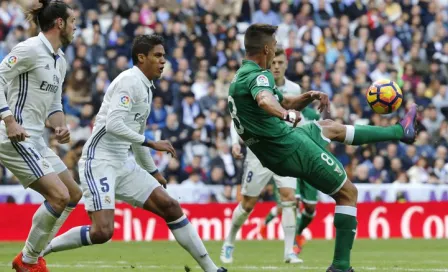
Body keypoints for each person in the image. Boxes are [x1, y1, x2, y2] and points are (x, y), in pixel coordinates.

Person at [227, 23, 417, 272]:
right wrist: (285, 115)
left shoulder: (241, 76)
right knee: (348, 193)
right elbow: (267, 101)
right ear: (266, 48)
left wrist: (310, 95)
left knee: (328, 126)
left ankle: (399, 131)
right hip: (288, 146)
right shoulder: (259, 77)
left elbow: (283, 99)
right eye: (273, 46)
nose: (275, 52)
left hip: (275, 148)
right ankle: (340, 266)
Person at [41, 34, 227, 272]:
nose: (163, 61)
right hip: (99, 161)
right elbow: (114, 125)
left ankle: (212, 269)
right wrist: (153, 143)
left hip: (122, 161)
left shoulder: (146, 89)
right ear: (141, 57)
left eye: (164, 56)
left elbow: (135, 137)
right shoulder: (129, 81)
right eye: (158, 56)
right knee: (102, 232)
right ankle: (40, 251)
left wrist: (153, 171)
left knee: (171, 206)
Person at [0, 1, 81, 271]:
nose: (75, 26)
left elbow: (55, 106)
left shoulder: (60, 61)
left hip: (37, 139)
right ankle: (29, 261)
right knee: (58, 196)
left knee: (72, 194)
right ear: (59, 23)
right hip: (14, 136)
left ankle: (30, 255)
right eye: (72, 21)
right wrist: (8, 119)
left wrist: (60, 126)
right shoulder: (29, 49)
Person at [221, 48, 304, 264]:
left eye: (280, 62)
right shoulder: (255, 82)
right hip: (258, 151)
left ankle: (289, 251)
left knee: (289, 198)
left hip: (285, 149)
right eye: (273, 62)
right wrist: (234, 141)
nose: (276, 66)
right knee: (248, 204)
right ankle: (229, 241)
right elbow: (237, 114)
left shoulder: (294, 88)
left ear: (286, 63)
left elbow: (300, 119)